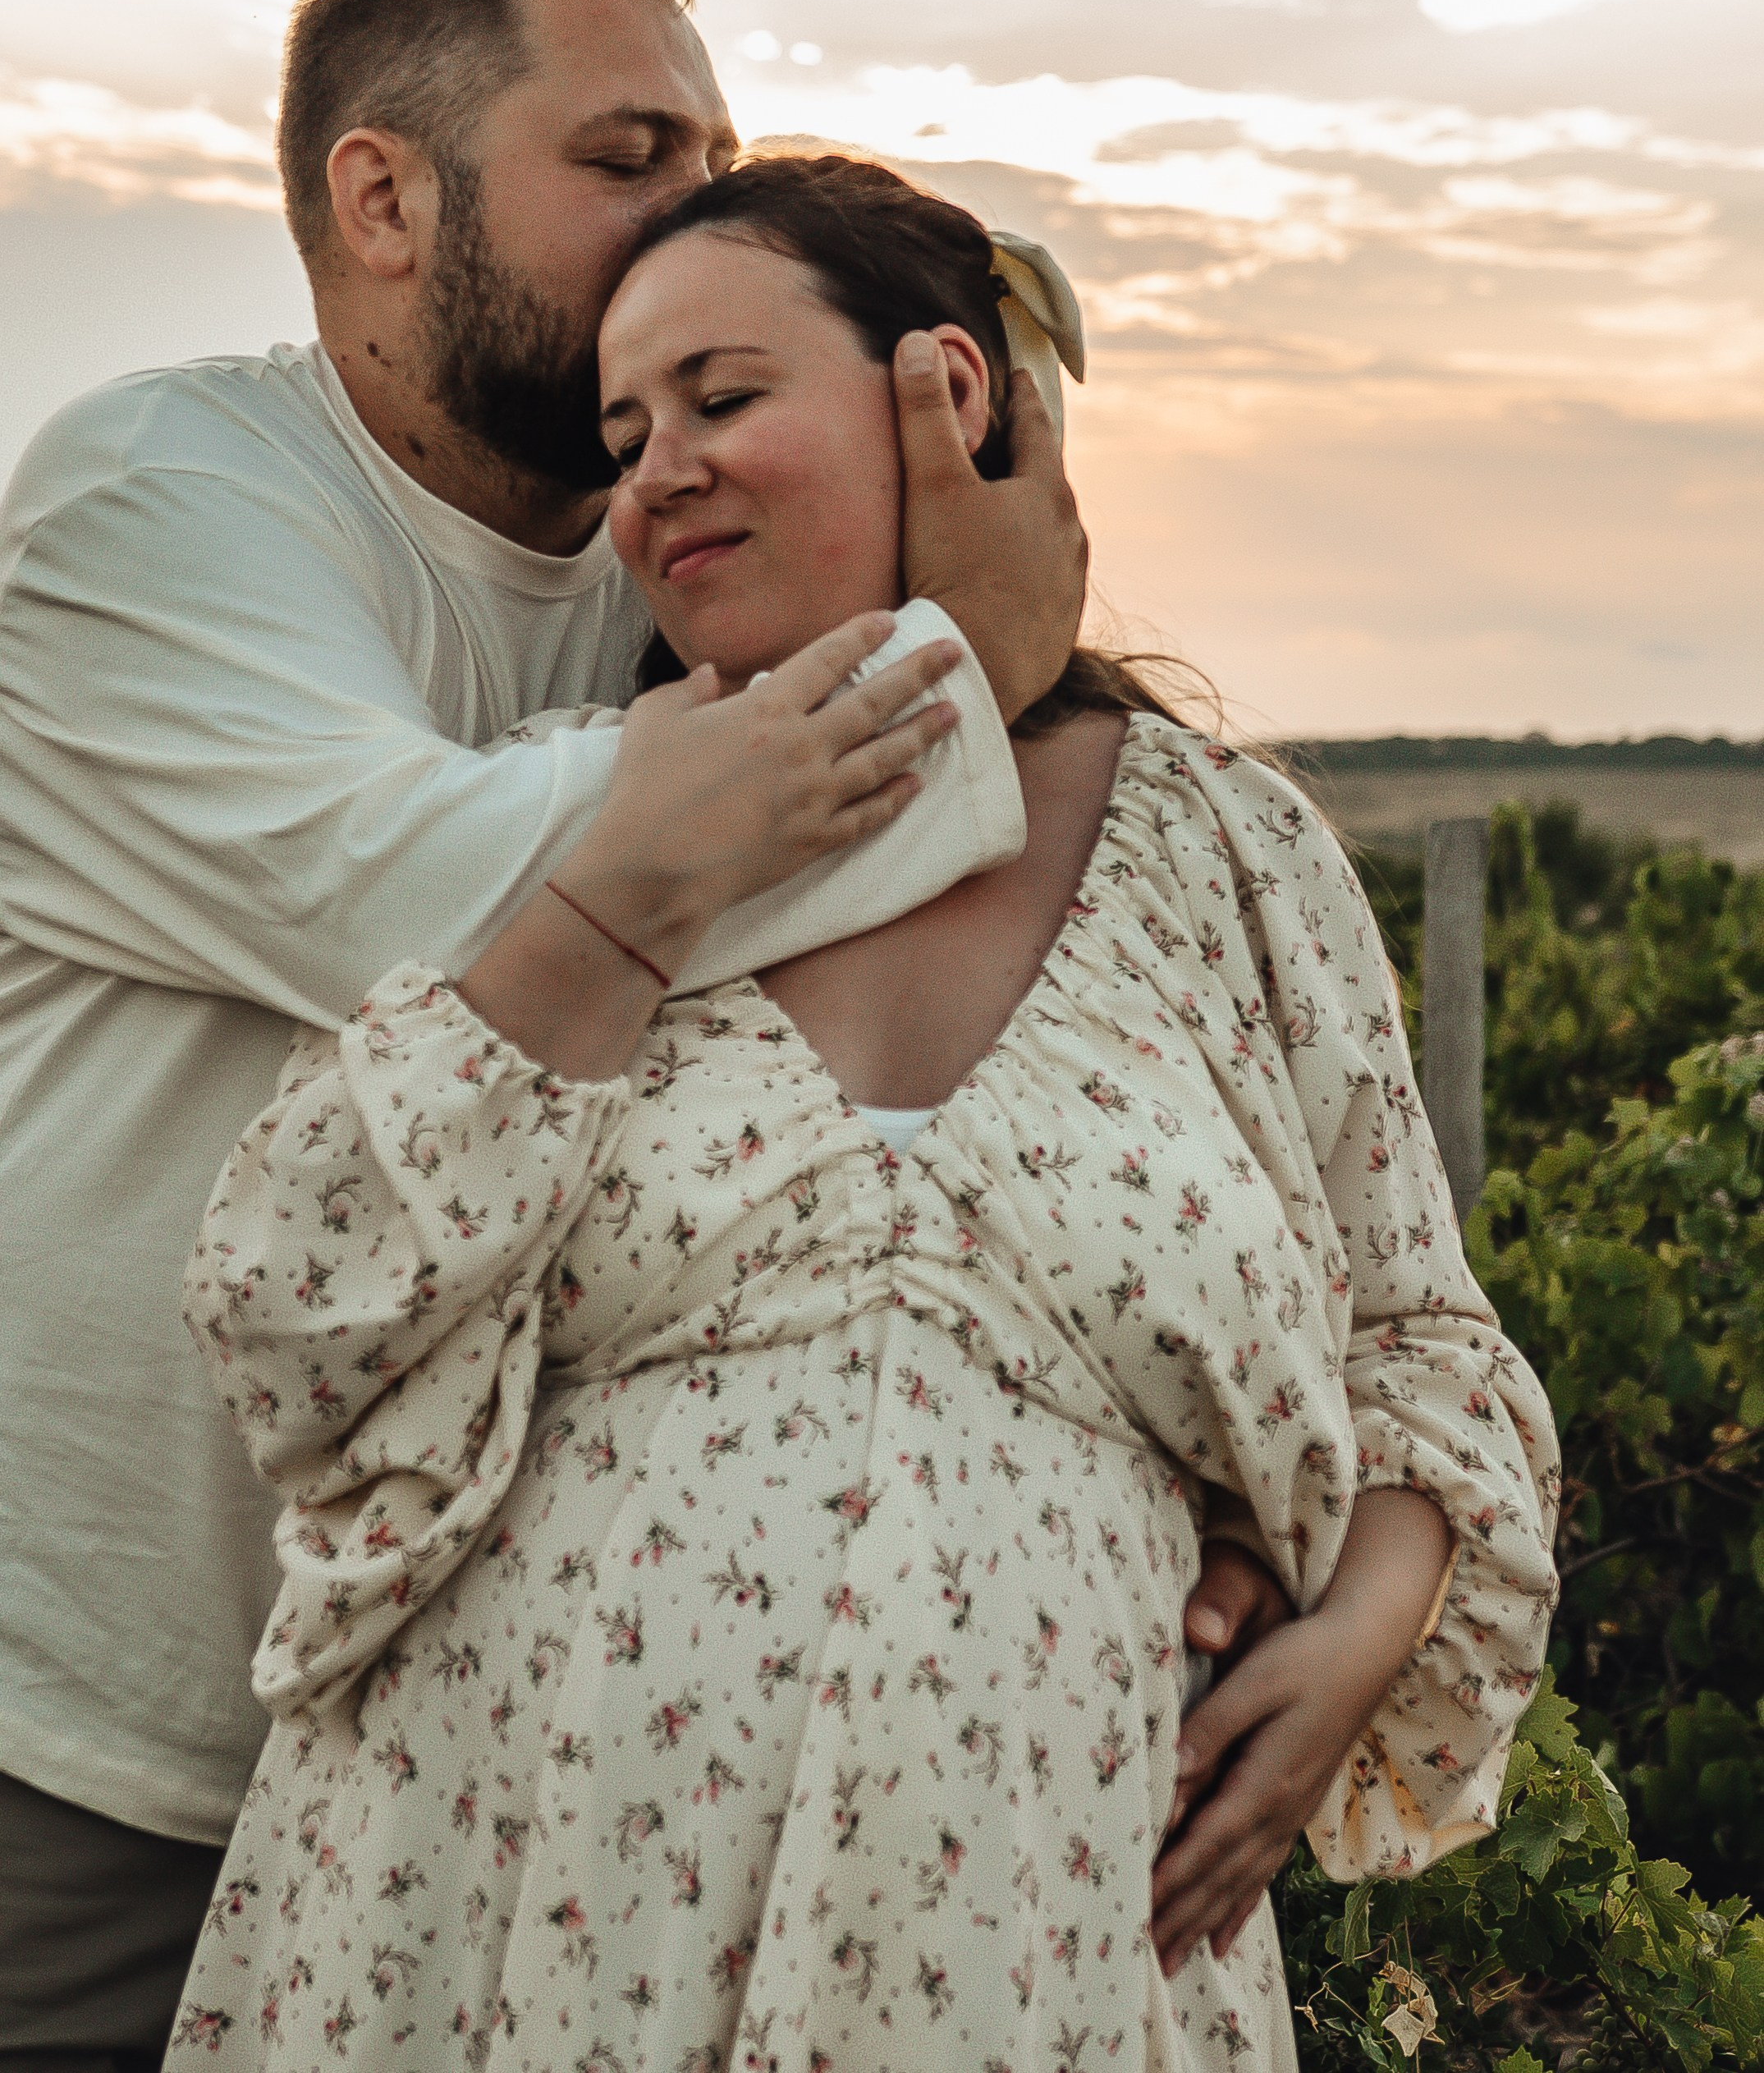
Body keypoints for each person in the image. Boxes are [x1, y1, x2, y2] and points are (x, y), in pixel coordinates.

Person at [0, 0, 1276, 2073]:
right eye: (631, 153)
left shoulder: (665, 594)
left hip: (490, 1773)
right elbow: (448, 918)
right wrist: (978, 656)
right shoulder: (158, 508)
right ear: (380, 198)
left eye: (717, 155)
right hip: (94, 1756)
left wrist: (1218, 1522)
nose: (701, 212)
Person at [173, 156, 1560, 2071]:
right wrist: (628, 901)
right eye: (623, 427)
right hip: (512, 1909)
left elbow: (1420, 1347)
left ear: (950, 397)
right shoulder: (567, 815)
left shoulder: (1227, 858)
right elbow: (298, 1322)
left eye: (724, 399)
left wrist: (1352, 1643)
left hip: (1040, 1935)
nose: (655, 468)